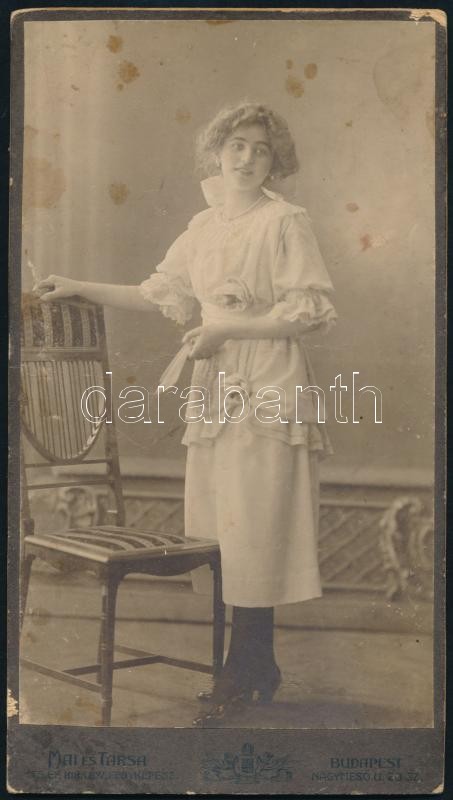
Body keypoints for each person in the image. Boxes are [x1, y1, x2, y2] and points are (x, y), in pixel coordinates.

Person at [37, 102, 337, 727]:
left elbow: (307, 311)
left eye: (260, 148)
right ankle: (255, 664)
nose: (247, 158)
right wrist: (79, 286)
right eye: (237, 145)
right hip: (216, 379)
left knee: (255, 519)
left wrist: (227, 328)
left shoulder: (285, 221)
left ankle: (244, 666)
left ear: (275, 159)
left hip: (268, 379)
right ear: (217, 151)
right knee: (227, 524)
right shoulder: (204, 226)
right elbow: (158, 293)